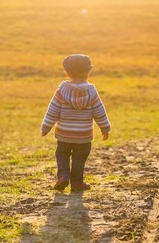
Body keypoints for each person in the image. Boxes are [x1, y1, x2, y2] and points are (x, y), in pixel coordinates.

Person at [41, 54, 111, 191]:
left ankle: (63, 176)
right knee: (79, 158)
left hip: (64, 133)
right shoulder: (91, 92)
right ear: (88, 72)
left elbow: (53, 110)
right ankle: (77, 182)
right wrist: (105, 128)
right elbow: (99, 111)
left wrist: (46, 127)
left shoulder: (61, 91)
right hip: (84, 135)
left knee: (62, 154)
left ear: (66, 72)